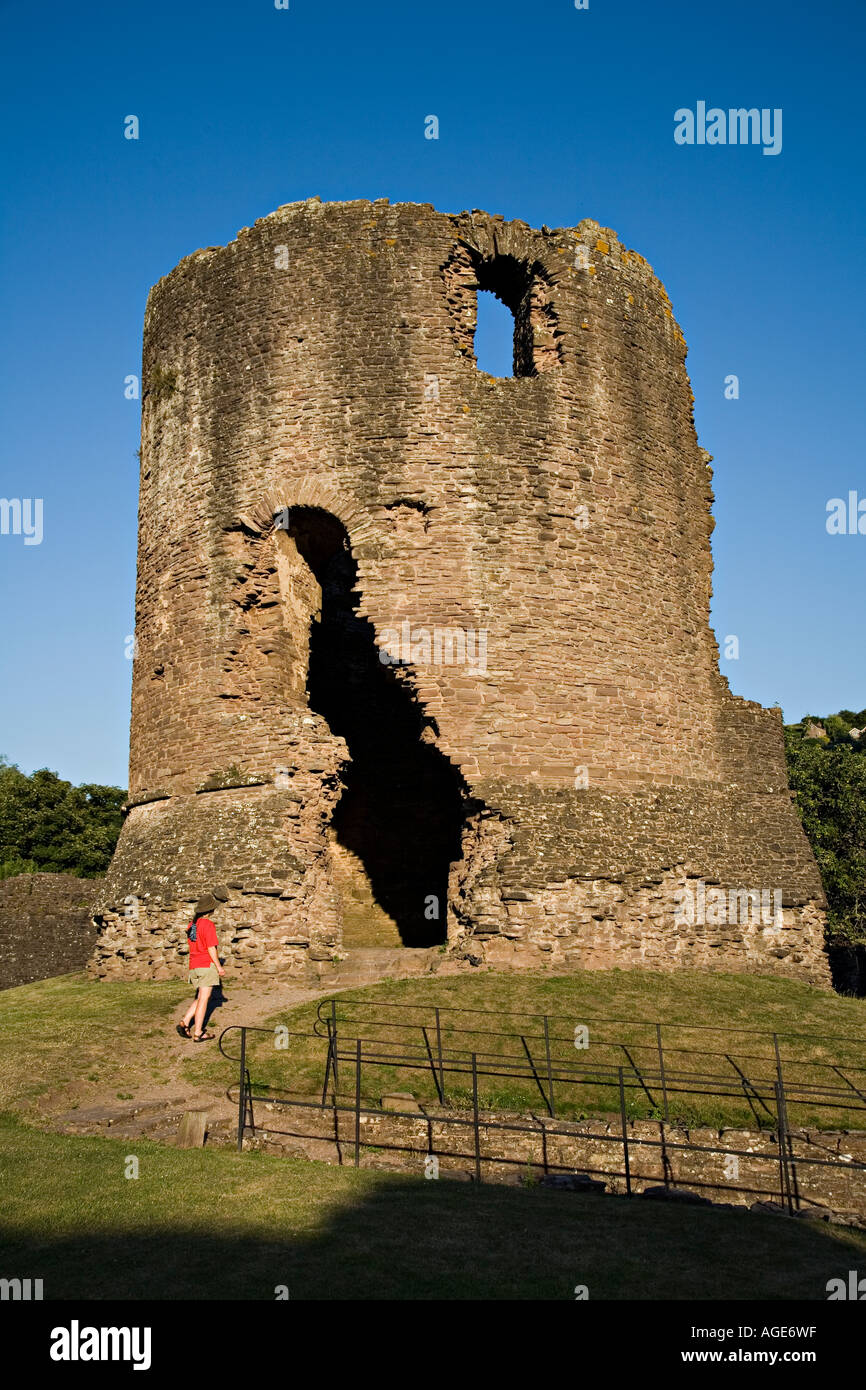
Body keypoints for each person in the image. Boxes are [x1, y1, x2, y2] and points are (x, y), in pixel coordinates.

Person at [176, 893, 225, 1042]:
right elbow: (211, 948)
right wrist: (219, 967)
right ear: (211, 910)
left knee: (202, 996)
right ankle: (198, 1032)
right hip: (205, 964)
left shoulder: (192, 925)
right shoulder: (208, 924)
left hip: (194, 965)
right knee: (204, 999)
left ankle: (185, 1021)